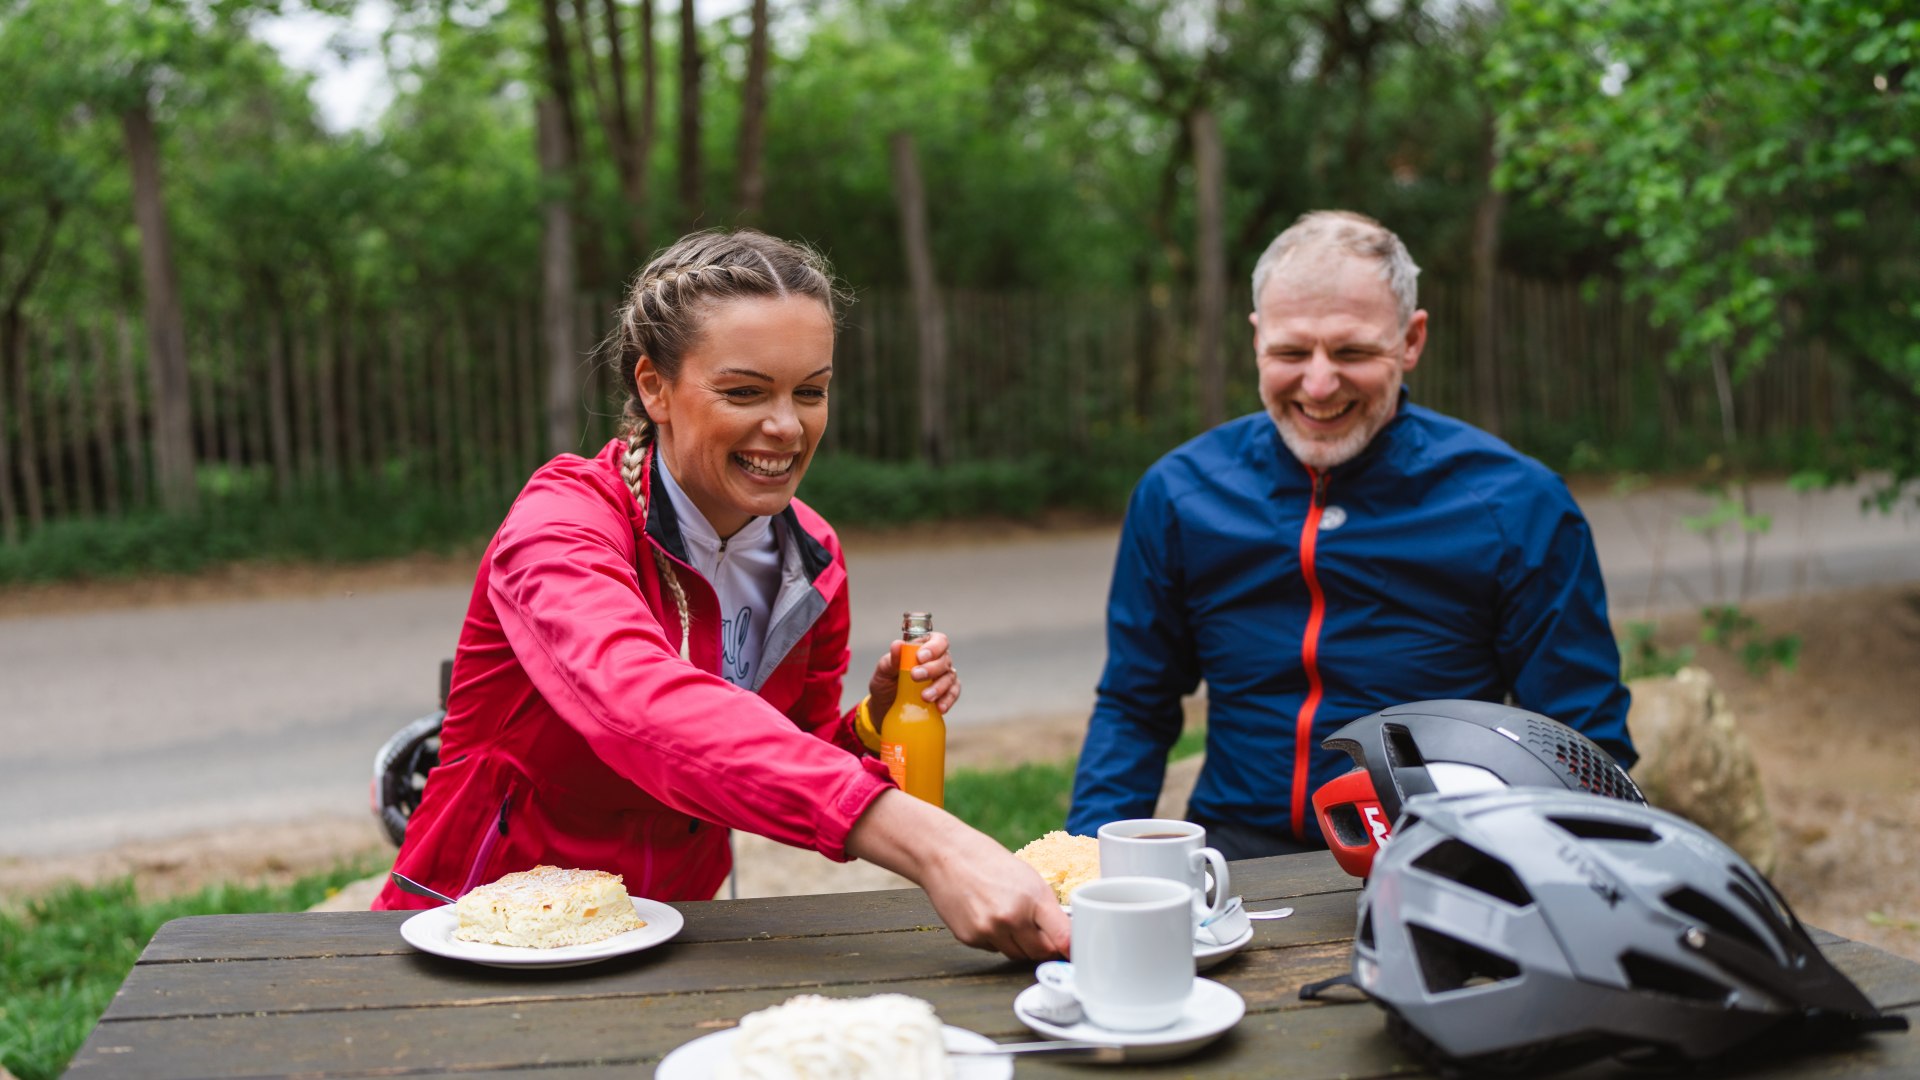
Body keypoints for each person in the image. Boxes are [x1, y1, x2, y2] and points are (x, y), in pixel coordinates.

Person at [375, 229, 1068, 961]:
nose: (785, 425)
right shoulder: (562, 522)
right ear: (654, 387)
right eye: (744, 391)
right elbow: (640, 705)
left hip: (672, 935)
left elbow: (781, 756)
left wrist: (871, 725)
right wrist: (932, 843)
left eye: (811, 391)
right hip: (475, 934)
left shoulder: (812, 555)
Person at [1066, 210, 1634, 861]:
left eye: (1352, 351)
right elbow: (1135, 706)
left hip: (1442, 853)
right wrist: (1086, 866)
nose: (1317, 383)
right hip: (1237, 851)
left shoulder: (1519, 504)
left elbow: (1583, 742)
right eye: (1289, 352)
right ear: (1256, 339)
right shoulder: (1179, 494)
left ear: (1412, 340)